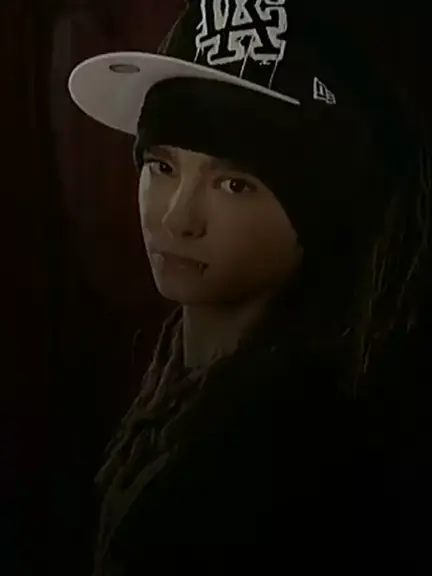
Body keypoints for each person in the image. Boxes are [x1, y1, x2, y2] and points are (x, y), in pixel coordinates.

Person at [69, 1, 430, 574]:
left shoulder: (295, 465)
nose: (177, 218)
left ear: (318, 209)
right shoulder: (178, 385)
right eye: (162, 167)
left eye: (234, 184)